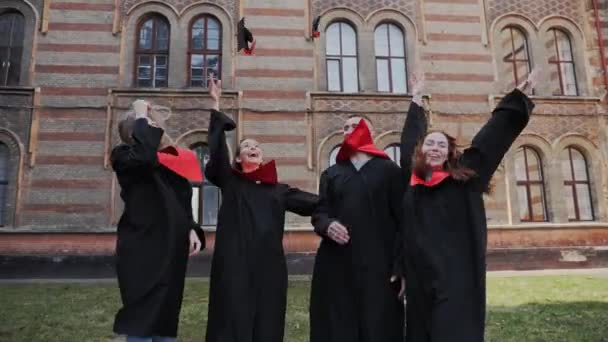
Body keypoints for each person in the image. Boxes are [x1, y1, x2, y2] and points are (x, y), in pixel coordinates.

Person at [400, 69, 540, 341]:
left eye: (442, 144)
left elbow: (491, 139)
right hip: (420, 278)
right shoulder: (413, 183)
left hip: (456, 278)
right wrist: (416, 99)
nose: (435, 148)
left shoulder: (465, 178)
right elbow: (409, 140)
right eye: (430, 143)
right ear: (421, 150)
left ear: (450, 152)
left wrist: (517, 99)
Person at [204, 75, 318, 342]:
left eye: (256, 146)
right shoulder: (230, 181)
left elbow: (312, 202)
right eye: (246, 146)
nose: (253, 148)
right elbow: (217, 155)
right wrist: (216, 104)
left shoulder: (278, 190)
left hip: (269, 266)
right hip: (233, 264)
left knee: (267, 317)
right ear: (238, 158)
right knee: (232, 316)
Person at [111, 100, 205, 342]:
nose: (153, 129)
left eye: (153, 125)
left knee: (167, 308)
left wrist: (192, 228)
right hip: (141, 241)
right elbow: (143, 156)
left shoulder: (172, 160)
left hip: (172, 242)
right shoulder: (123, 155)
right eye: (145, 125)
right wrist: (141, 113)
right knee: (142, 310)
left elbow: (183, 197)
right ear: (133, 133)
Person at [309, 109, 406, 342]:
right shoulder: (332, 174)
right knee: (338, 323)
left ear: (370, 133)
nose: (349, 130)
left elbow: (404, 220)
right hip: (337, 264)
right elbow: (320, 212)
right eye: (345, 128)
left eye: (355, 126)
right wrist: (327, 225)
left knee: (379, 324)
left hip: (380, 265)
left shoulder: (390, 171)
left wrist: (402, 266)